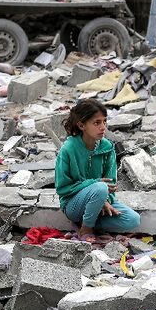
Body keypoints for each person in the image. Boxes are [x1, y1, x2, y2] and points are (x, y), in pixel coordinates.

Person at [55, 99, 140, 235]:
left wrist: (104, 201)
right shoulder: (68, 150)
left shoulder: (107, 147)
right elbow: (62, 188)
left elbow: (110, 184)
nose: (103, 127)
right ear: (82, 125)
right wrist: (95, 186)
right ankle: (86, 229)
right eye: (97, 123)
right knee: (100, 187)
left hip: (100, 200)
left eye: (104, 121)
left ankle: (90, 221)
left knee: (133, 220)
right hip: (73, 205)